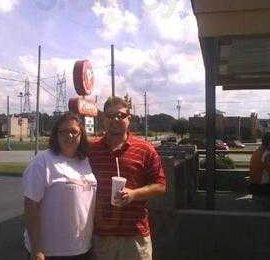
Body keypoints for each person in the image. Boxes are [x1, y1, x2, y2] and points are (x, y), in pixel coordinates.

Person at [88, 96, 166, 260]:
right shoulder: (91, 150)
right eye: (110, 116)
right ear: (103, 119)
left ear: (129, 119)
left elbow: (160, 185)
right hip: (102, 236)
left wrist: (134, 194)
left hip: (135, 236)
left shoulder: (145, 149)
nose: (115, 119)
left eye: (121, 115)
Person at [22, 112, 97, 260]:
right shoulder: (43, 161)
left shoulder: (85, 161)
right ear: (56, 135)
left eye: (74, 131)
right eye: (64, 132)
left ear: (81, 135)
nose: (69, 136)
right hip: (51, 252)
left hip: (83, 248)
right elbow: (30, 206)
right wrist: (37, 250)